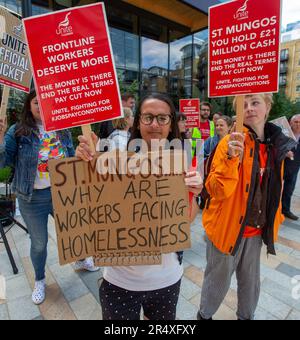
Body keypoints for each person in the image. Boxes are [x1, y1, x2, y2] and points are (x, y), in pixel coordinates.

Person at [76, 93, 203, 320]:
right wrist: (86, 161)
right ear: (138, 122)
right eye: (148, 117)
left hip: (167, 279)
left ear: (171, 123)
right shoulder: (114, 160)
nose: (155, 124)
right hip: (120, 280)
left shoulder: (183, 164)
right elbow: (89, 203)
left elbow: (185, 221)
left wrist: (194, 194)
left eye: (162, 118)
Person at [197, 93, 297, 321]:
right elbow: (215, 189)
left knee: (251, 282)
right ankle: (204, 315)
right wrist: (231, 158)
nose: (249, 108)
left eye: (255, 103)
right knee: (217, 281)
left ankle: (246, 316)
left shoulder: (277, 143)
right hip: (226, 230)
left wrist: (275, 221)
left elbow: (276, 189)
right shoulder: (229, 142)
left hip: (256, 231)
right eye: (243, 105)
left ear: (267, 107)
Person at [0, 90, 99, 306]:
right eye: (37, 102)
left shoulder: (62, 130)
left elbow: (73, 158)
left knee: (75, 230)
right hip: (31, 198)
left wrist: (87, 153)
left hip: (61, 193)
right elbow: (2, 163)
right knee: (39, 243)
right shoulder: (17, 131)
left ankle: (82, 259)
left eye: (46, 102)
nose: (41, 106)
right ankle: (40, 280)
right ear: (29, 104)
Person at [282, 114, 300, 220]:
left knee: (289, 190)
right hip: (280, 165)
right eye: (295, 122)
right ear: (290, 123)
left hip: (294, 168)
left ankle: (285, 210)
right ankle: (272, 209)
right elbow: (274, 148)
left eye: (299, 122)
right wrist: (284, 152)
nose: (298, 124)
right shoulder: (284, 135)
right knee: (275, 188)